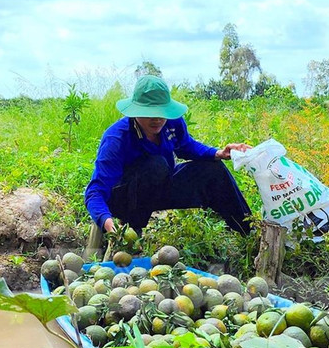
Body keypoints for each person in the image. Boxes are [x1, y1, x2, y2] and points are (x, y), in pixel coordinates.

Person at [84, 75, 253, 239]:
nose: (157, 119)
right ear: (136, 111)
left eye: (161, 113)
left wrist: (218, 153)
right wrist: (105, 221)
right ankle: (134, 229)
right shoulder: (116, 139)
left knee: (213, 169)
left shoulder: (172, 123)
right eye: (149, 113)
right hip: (125, 199)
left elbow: (186, 146)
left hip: (160, 187)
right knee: (156, 165)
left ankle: (248, 230)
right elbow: (95, 192)